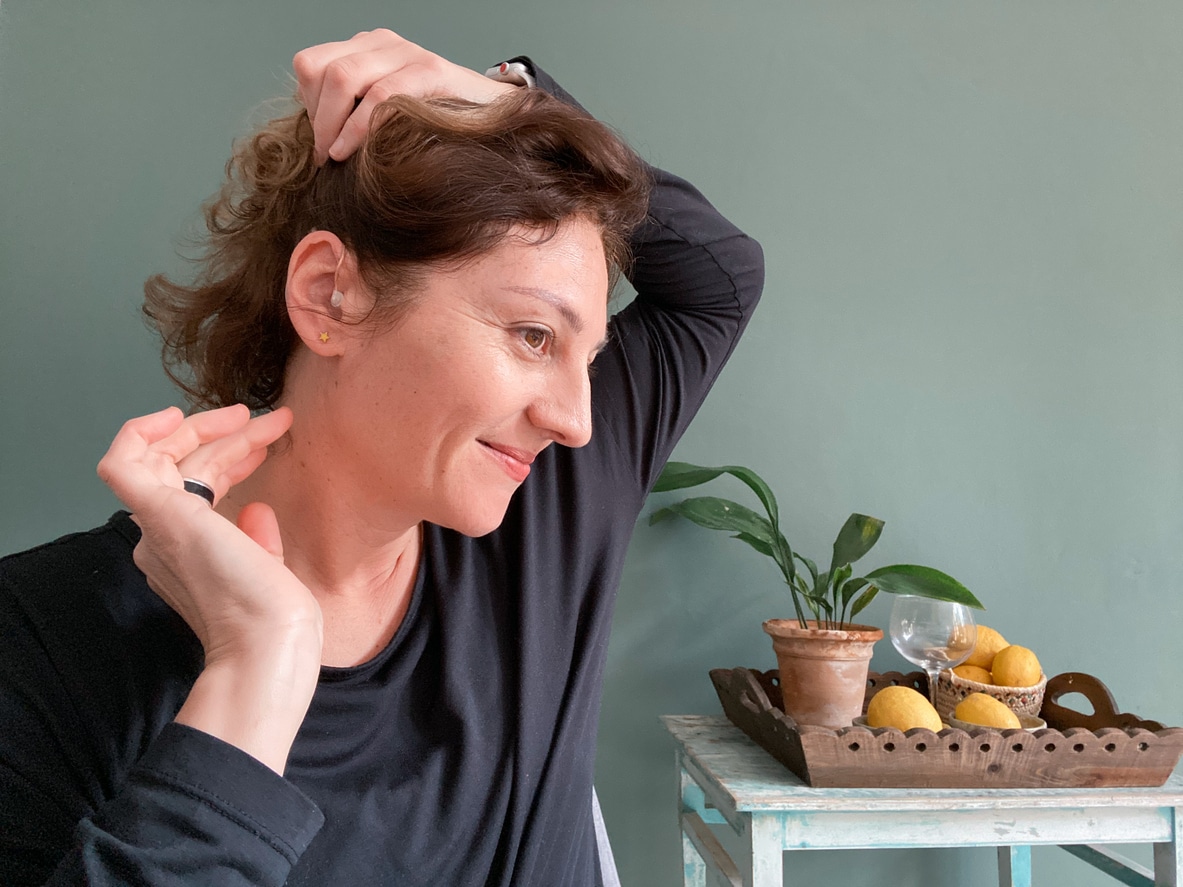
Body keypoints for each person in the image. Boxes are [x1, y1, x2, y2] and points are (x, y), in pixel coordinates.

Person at [0, 29, 763, 887]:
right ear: (329, 295)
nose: (576, 422)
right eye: (532, 333)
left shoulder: (551, 495)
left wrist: (511, 103)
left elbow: (719, 278)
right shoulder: (41, 647)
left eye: (584, 359)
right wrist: (259, 661)